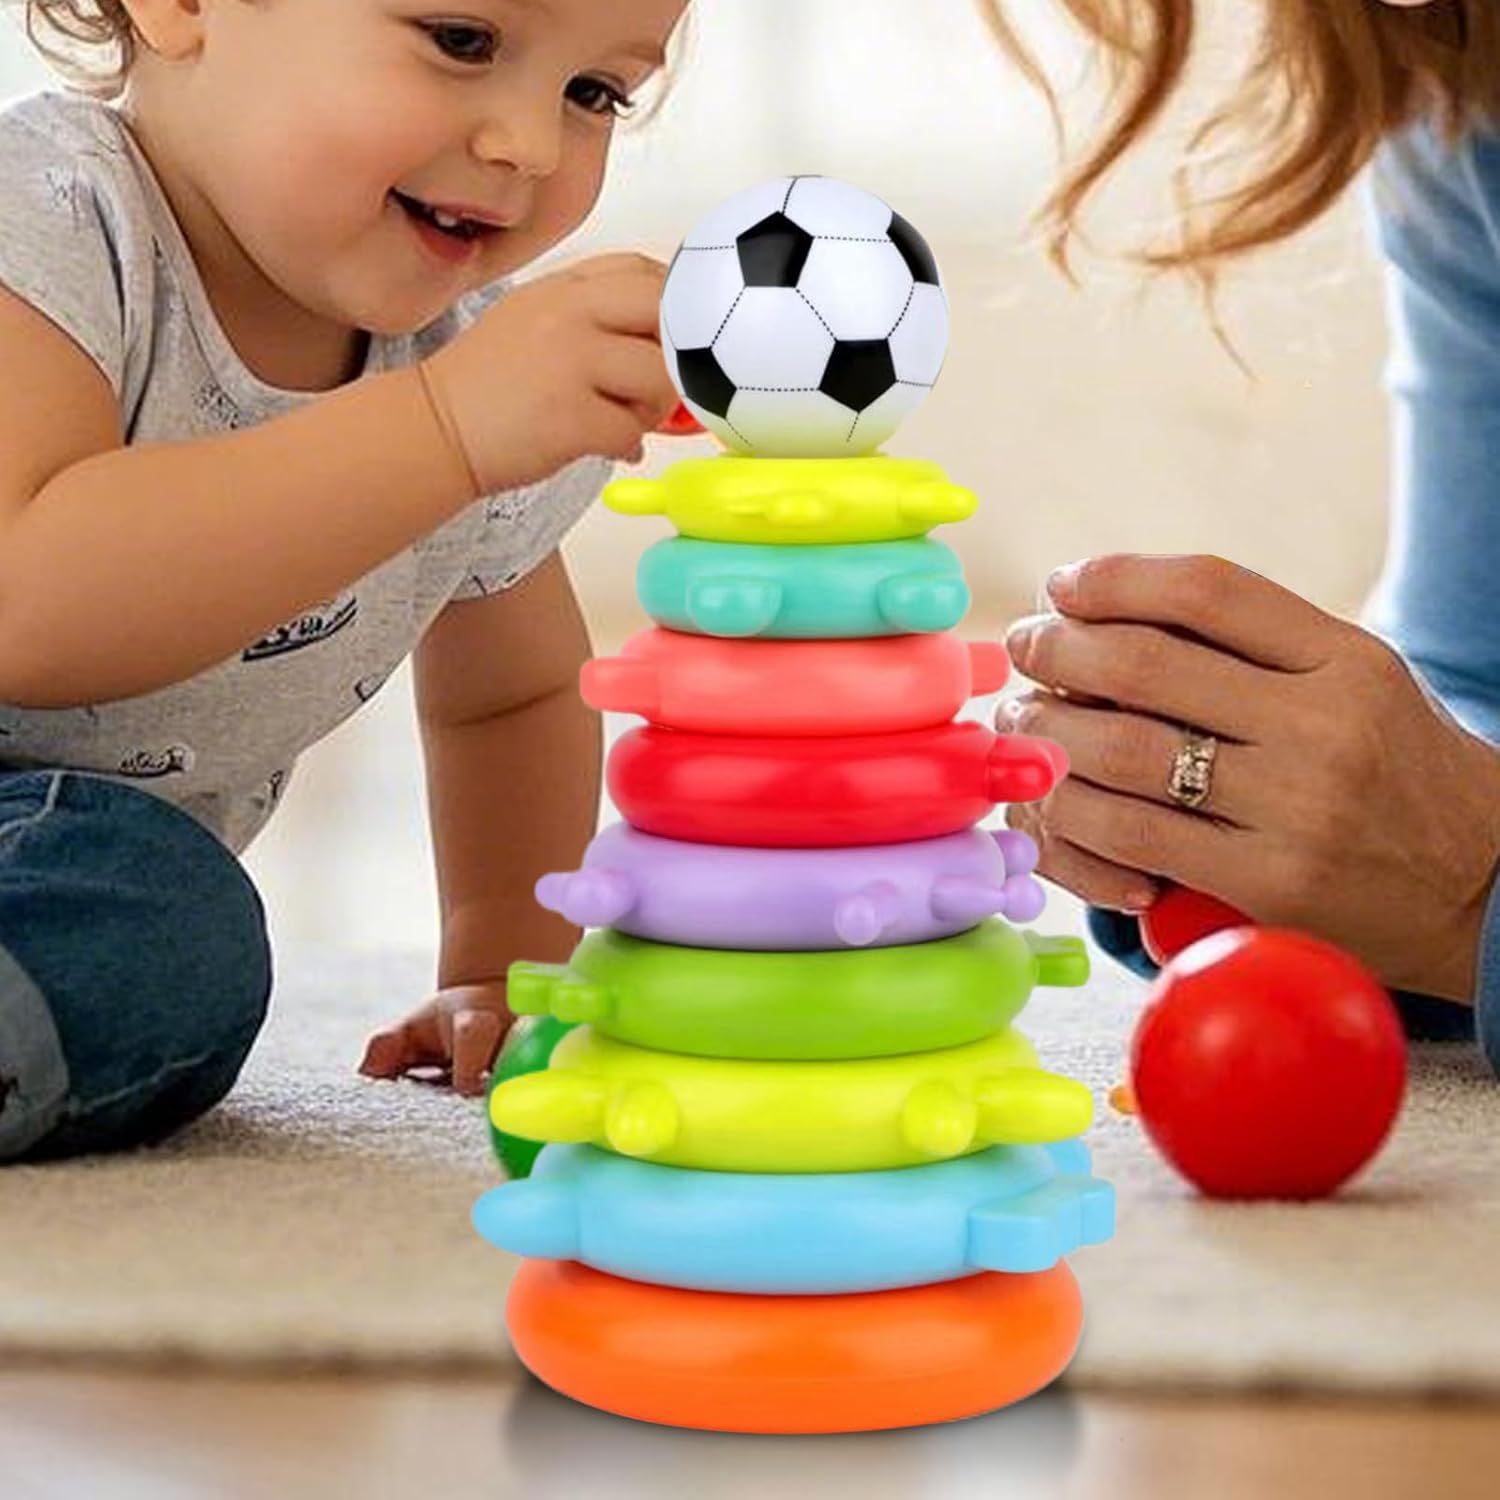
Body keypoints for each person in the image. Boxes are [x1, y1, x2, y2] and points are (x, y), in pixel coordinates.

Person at [0, 0, 688, 1159]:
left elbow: (510, 697)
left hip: (69, 870)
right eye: (461, 41)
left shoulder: (460, 359)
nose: (530, 143)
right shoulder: (48, 218)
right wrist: (445, 428)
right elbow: (26, 603)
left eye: (593, 94)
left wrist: (504, 974)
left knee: (172, 932)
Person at [980, 0, 1500, 1075]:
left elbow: (1460, 846)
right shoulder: (1459, 89)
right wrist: (1251, 828)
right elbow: (1475, 678)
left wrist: (1471, 895)